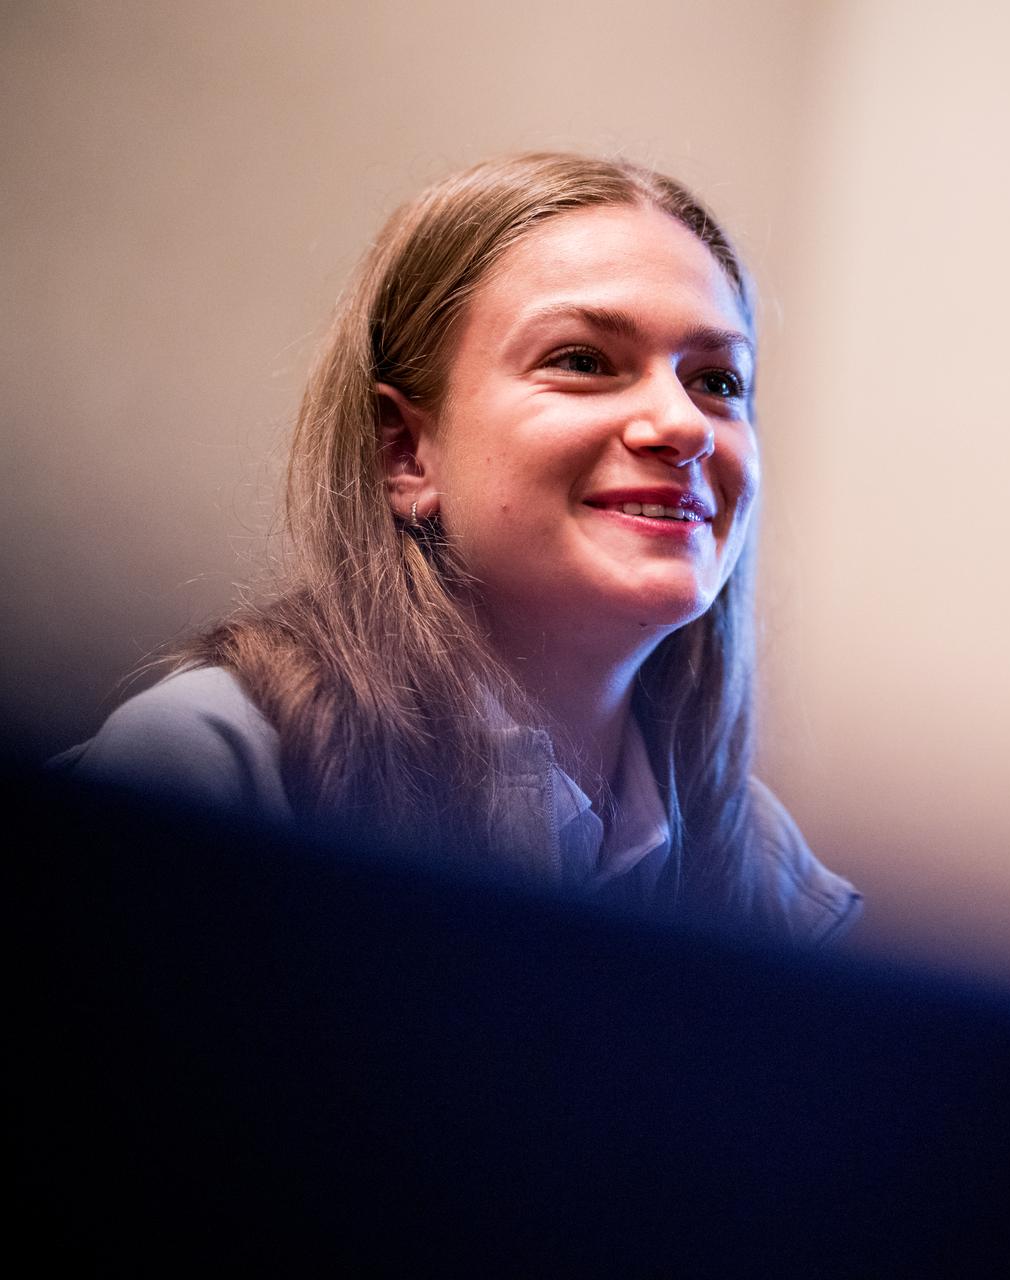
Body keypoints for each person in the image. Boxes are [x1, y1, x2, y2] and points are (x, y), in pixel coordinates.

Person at [55, 152, 860, 946]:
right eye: (582, 361)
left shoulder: (759, 869)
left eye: (718, 381)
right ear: (406, 452)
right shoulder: (212, 767)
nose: (683, 425)